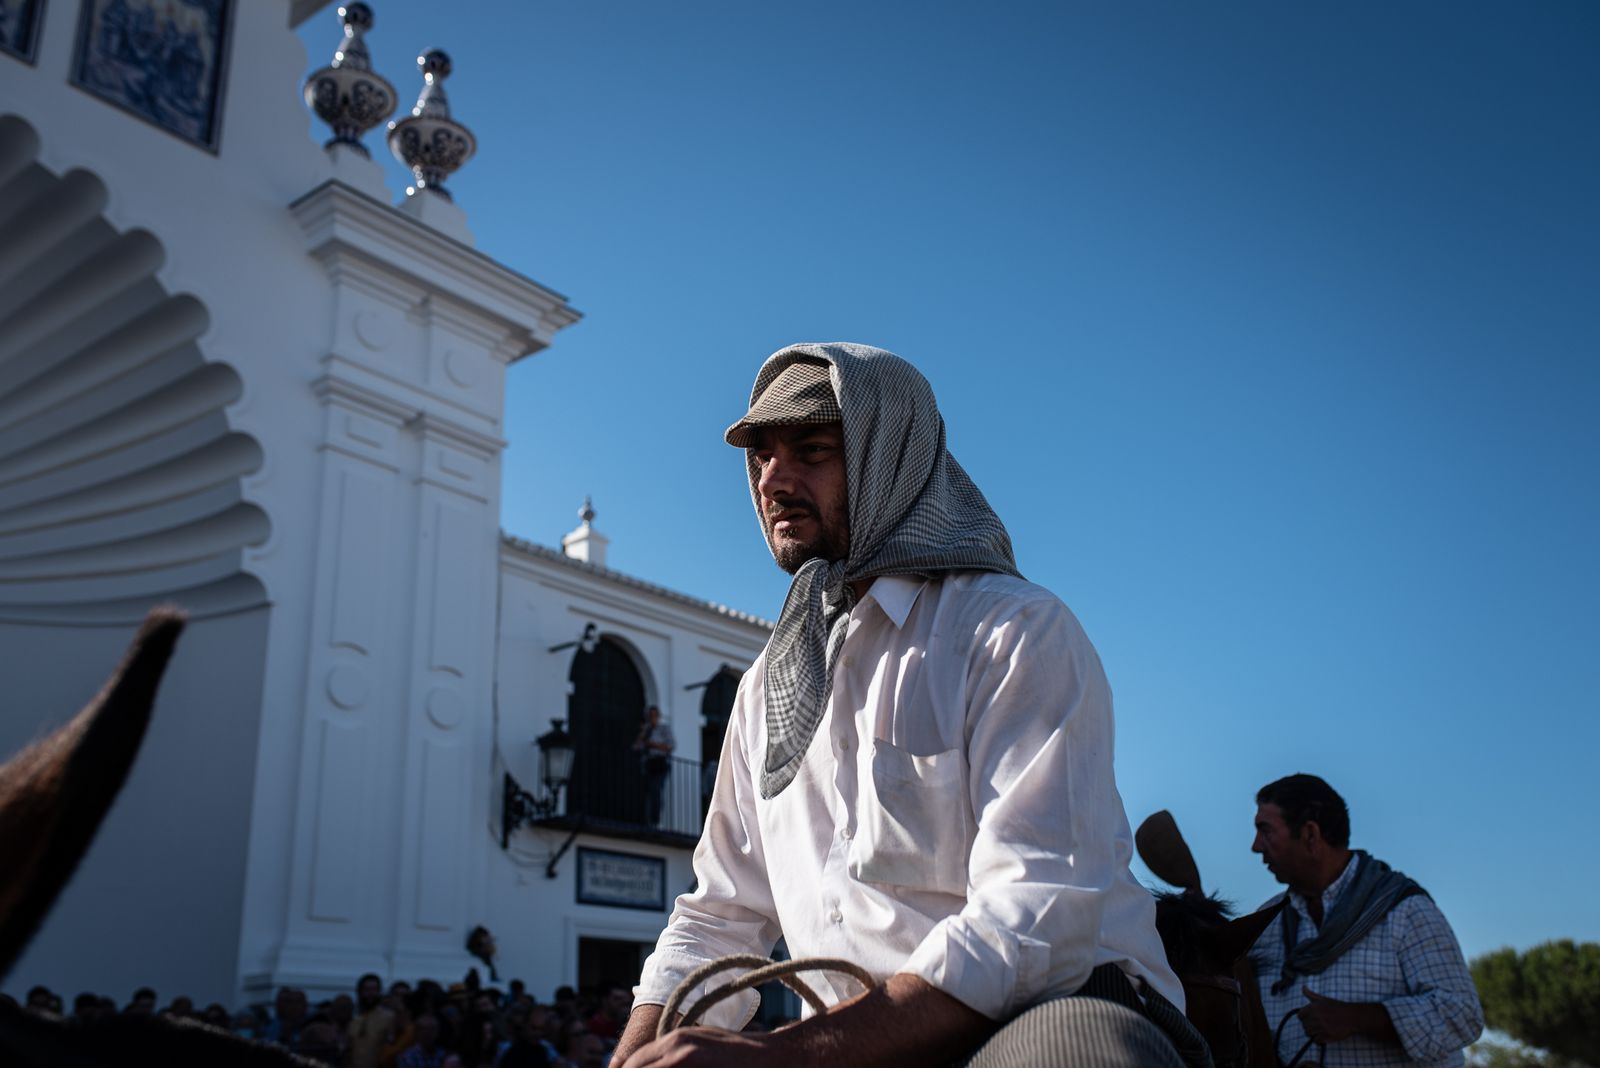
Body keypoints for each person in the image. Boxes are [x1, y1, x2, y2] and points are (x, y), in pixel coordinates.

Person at [614, 343, 1191, 1067]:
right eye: (761, 456)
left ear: (890, 455)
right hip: (855, 1042)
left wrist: (779, 1057)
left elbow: (1036, 917)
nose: (774, 479)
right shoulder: (771, 682)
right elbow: (720, 913)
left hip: (1049, 1010)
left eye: (812, 450)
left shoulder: (1011, 631)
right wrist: (634, 1055)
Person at [1247, 773, 1484, 1066]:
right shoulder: (1265, 926)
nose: (1256, 846)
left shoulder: (1405, 911)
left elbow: (1461, 1015)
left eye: (1265, 830)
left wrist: (1359, 1018)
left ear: (1310, 835)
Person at [632, 705, 675, 826]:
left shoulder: (664, 729)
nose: (652, 718)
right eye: (650, 716)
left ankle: (655, 821)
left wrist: (653, 745)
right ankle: (648, 820)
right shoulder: (646, 731)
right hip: (648, 764)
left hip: (660, 763)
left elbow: (670, 746)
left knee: (656, 791)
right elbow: (636, 747)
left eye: (654, 716)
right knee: (648, 792)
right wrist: (643, 734)